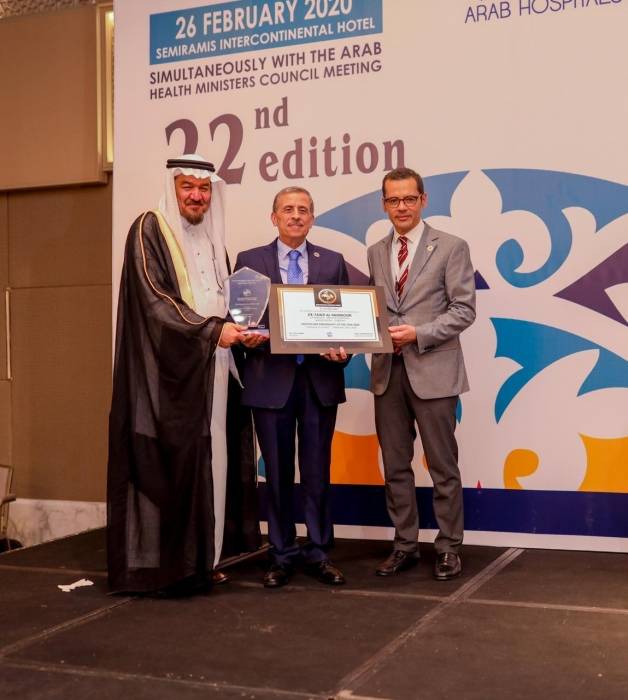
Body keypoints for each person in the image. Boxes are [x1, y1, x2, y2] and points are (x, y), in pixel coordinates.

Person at [107, 153, 261, 595]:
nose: (197, 196)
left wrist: (241, 331)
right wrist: (212, 331)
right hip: (169, 378)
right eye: (188, 187)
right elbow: (155, 300)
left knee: (214, 463)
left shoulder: (213, 238)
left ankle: (205, 560)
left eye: (204, 188)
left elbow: (221, 300)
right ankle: (172, 568)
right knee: (173, 469)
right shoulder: (149, 228)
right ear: (173, 187)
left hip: (214, 368)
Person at [235, 187, 350, 588]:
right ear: (274, 217)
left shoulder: (332, 262)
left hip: (319, 382)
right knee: (278, 475)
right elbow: (241, 319)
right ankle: (281, 554)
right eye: (288, 209)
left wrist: (343, 352)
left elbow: (345, 324)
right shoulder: (249, 261)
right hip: (270, 383)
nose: (296, 215)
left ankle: (319, 552)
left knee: (318, 473)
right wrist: (246, 338)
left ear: (312, 218)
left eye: (303, 210)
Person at [367, 167, 476, 581]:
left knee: (443, 466)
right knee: (395, 466)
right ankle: (405, 545)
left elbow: (464, 309)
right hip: (387, 373)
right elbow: (374, 310)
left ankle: (448, 548)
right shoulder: (376, 251)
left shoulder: (451, 247)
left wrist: (419, 333)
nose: (402, 207)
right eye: (393, 200)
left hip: (434, 370)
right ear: (384, 204)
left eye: (409, 199)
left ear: (423, 200)